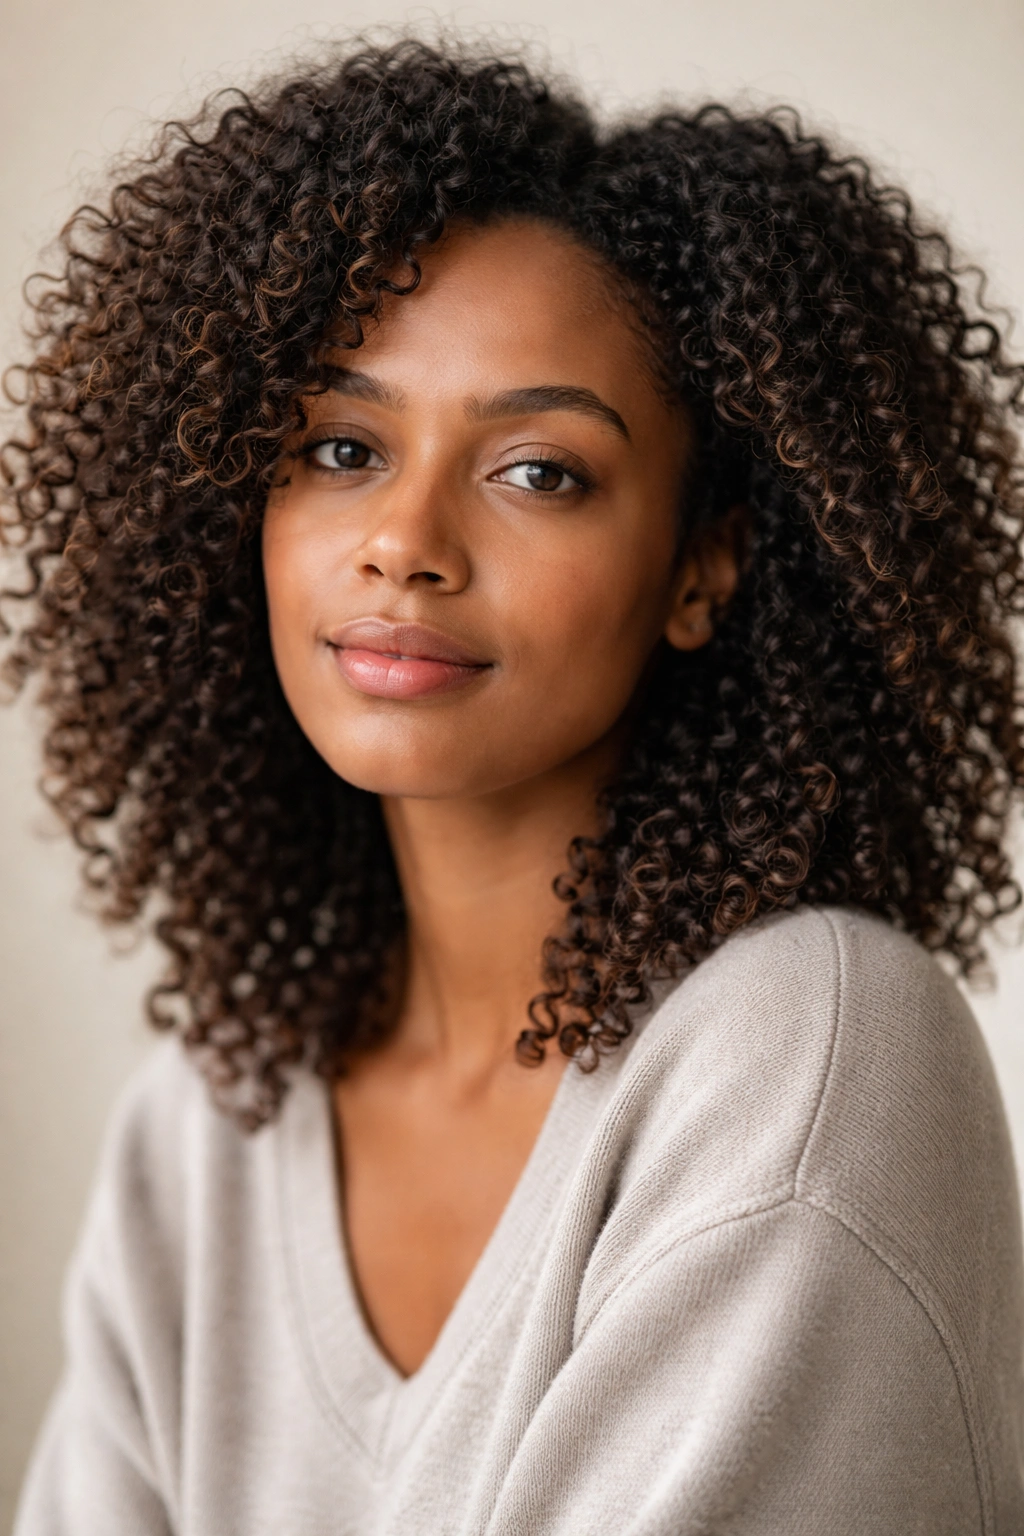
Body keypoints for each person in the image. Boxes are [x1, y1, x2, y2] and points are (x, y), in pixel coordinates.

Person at [5, 35, 1024, 1534]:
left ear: (702, 565)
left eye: (539, 470)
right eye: (341, 446)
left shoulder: (803, 1053)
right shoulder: (211, 1125)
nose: (405, 541)